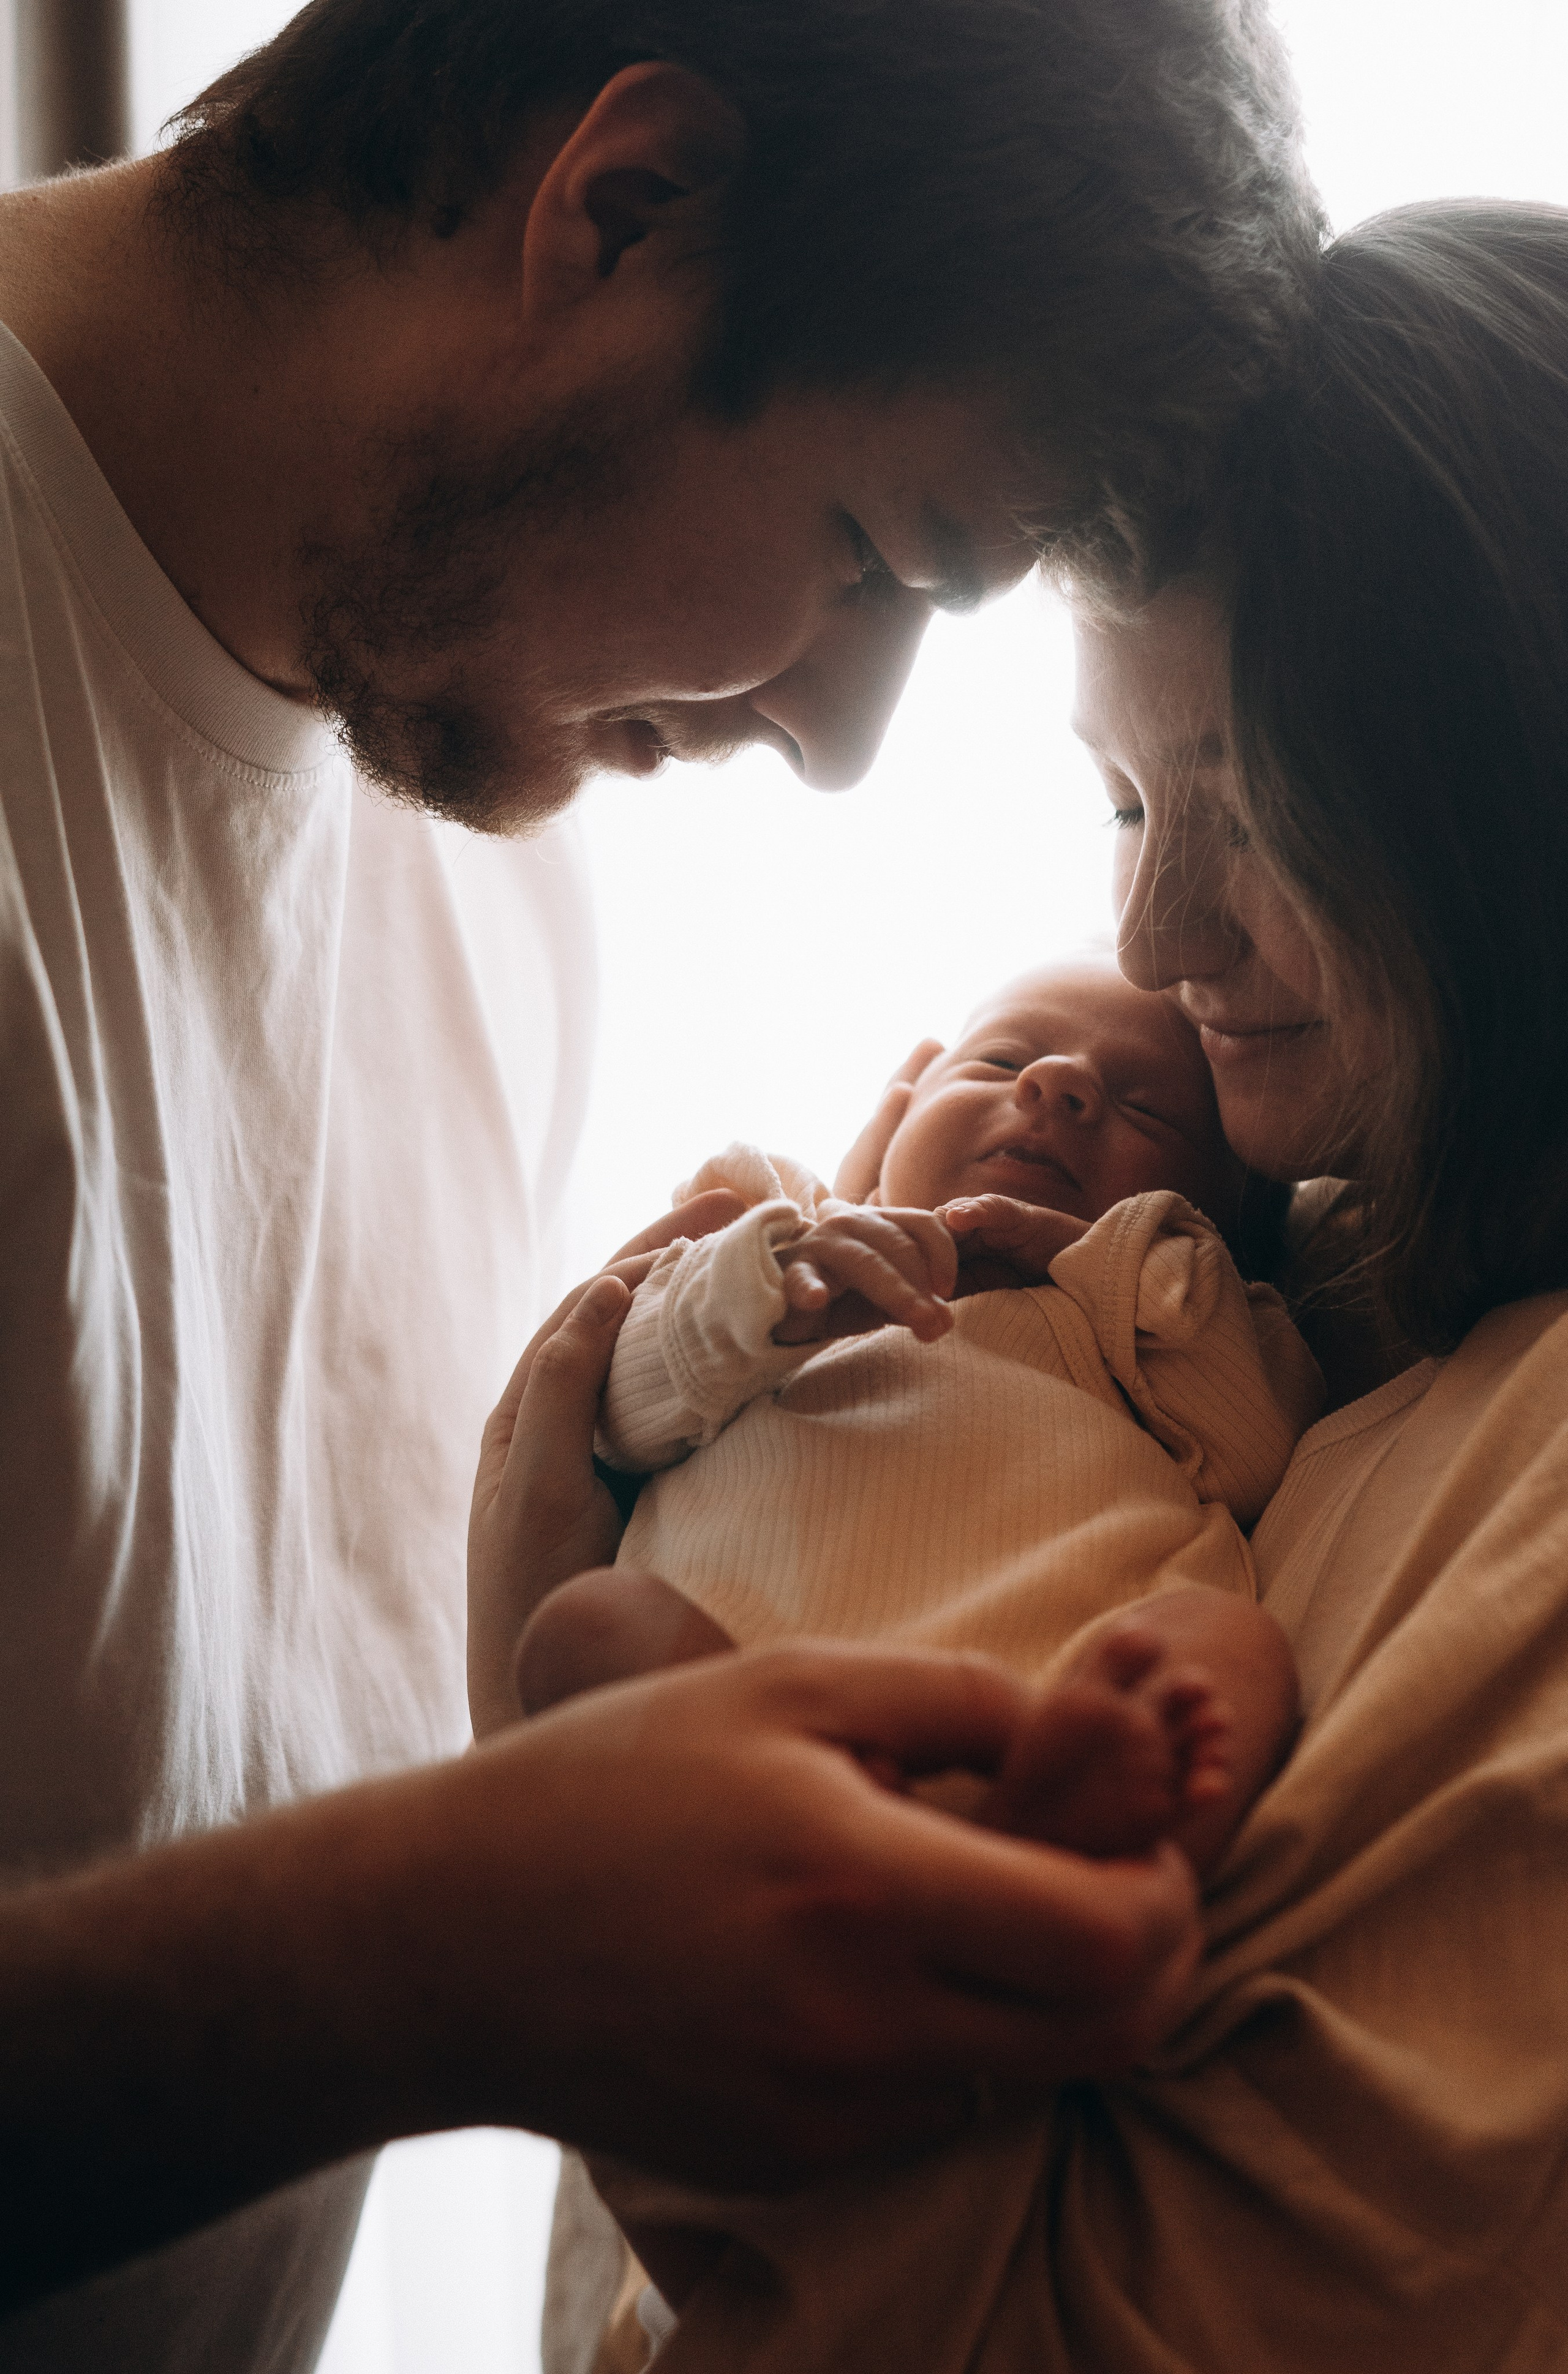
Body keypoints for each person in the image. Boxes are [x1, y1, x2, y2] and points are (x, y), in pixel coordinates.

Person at [0, 0, 1325, 2364]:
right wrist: (424, 1961)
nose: (834, 746)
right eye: (870, 556)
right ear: (626, 212)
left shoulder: (494, 898)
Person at [498, 199, 1568, 2370]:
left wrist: (535, 1784)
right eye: (1114, 797)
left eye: (1258, 812)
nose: (1162, 942)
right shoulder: (1330, 1265)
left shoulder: (1519, 1456)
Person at [510, 959, 1316, 2365]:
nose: (1058, 1091)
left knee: (1227, 1641)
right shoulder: (788, 1231)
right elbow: (611, 1404)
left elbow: (1253, 1445)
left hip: (1039, 1727)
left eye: (1143, 1111)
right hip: (736, 1740)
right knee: (583, 1636)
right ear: (890, 1111)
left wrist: (1125, 1261)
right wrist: (770, 1280)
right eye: (1004, 1060)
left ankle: (1084, 1843)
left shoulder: (1134, 1330)